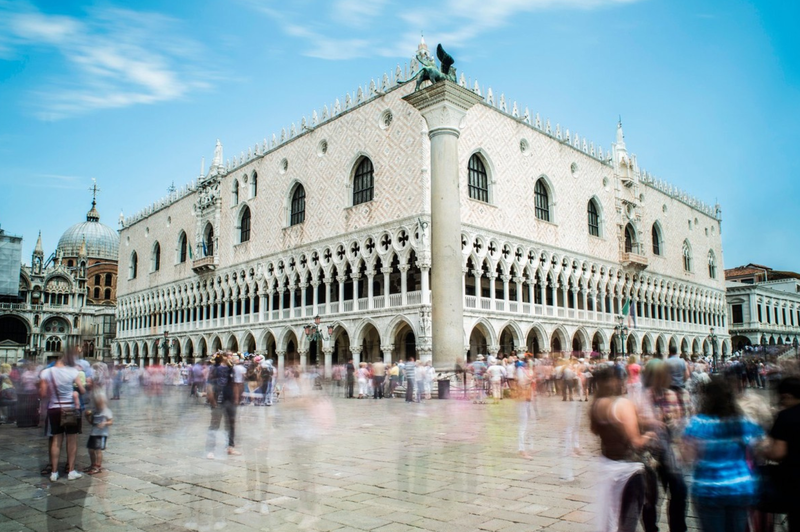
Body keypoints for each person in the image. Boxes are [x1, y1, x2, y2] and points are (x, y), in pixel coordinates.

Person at [682, 375, 764, 532]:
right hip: (740, 487)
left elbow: (687, 458)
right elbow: (760, 451)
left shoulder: (698, 423)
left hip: (708, 490)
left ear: (706, 397)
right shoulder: (744, 422)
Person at [590, 365, 656, 532]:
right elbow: (636, 442)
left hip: (607, 466)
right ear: (615, 381)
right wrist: (649, 435)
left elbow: (600, 430)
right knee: (627, 521)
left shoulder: (597, 405)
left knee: (610, 518)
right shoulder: (622, 404)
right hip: (628, 470)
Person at [761, 376, 800, 531]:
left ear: (787, 396)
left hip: (796, 480)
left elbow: (778, 453)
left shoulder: (787, 416)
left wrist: (762, 449)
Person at [40, 352, 86, 481]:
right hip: (70, 409)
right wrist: (74, 391)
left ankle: (54, 473)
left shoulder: (46, 372)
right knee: (72, 440)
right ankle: (71, 471)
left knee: (56, 440)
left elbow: (43, 393)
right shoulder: (73, 371)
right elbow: (82, 390)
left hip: (54, 408)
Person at [206, 353, 240, 458]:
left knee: (231, 424)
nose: (230, 357)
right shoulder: (214, 368)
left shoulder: (231, 368)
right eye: (228, 355)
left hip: (229, 399)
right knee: (215, 424)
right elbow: (209, 384)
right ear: (222, 357)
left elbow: (234, 383)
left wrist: (236, 397)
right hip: (218, 398)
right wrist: (211, 398)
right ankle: (210, 450)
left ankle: (230, 447)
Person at [84, 393, 113, 475]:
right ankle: (92, 464)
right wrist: (87, 417)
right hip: (93, 433)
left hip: (101, 434)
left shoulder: (107, 411)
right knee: (91, 450)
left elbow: (111, 421)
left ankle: (98, 466)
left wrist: (105, 423)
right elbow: (92, 422)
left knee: (98, 450)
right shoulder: (95, 411)